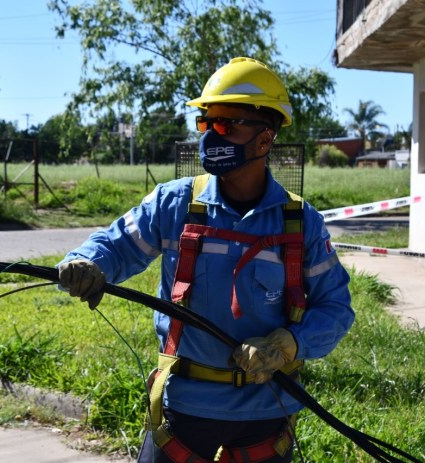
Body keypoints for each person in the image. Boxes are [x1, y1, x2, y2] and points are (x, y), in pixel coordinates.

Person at [58, 57, 355, 463]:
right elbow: (114, 246)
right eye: (206, 122)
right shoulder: (175, 203)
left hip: (266, 412)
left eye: (226, 124)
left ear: (265, 139)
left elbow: (336, 308)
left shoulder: (300, 223)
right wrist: (87, 263)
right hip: (182, 410)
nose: (210, 136)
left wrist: (288, 345)